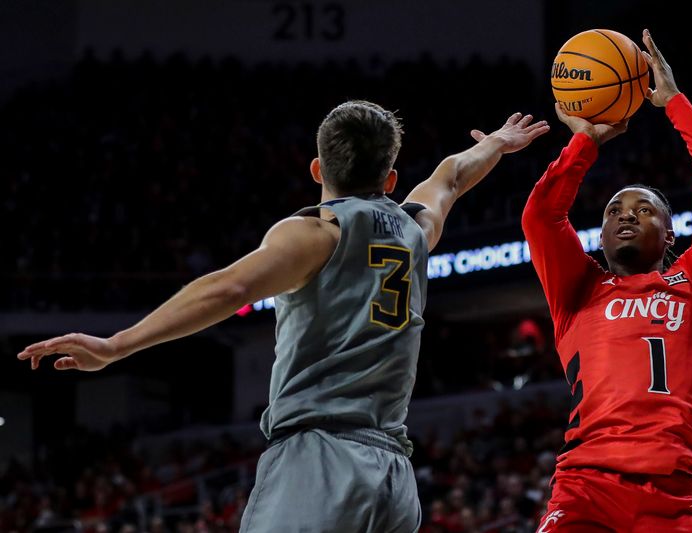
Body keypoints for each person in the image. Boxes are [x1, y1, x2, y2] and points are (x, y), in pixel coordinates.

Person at [18, 101, 550, 532]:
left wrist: (118, 345)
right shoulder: (414, 231)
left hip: (319, 460)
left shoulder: (315, 233)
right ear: (390, 180)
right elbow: (450, 178)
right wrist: (497, 145)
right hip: (393, 475)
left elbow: (226, 288)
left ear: (318, 168)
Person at [523, 29, 692, 531]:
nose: (626, 216)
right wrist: (585, 141)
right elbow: (541, 218)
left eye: (644, 210)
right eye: (613, 211)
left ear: (670, 233)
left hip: (671, 493)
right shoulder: (577, 290)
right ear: (598, 236)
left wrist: (673, 103)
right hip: (585, 485)